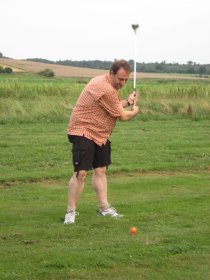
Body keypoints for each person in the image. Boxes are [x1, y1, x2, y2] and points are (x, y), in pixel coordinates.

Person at [64, 60, 139, 224]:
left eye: (126, 80)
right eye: (120, 79)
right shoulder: (105, 88)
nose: (123, 83)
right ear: (111, 73)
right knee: (81, 173)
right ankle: (70, 212)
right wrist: (135, 110)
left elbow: (110, 106)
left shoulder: (104, 82)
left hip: (100, 133)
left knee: (100, 170)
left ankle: (104, 208)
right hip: (82, 130)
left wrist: (127, 101)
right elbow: (123, 116)